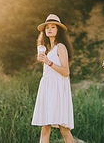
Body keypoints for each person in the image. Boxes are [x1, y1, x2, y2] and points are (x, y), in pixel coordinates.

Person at [32, 14, 74, 143]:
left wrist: (48, 62)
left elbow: (66, 72)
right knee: (45, 128)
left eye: (53, 27)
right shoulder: (46, 49)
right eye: (47, 27)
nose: (49, 29)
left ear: (58, 30)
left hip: (58, 89)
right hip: (46, 87)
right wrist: (45, 59)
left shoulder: (60, 47)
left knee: (63, 128)